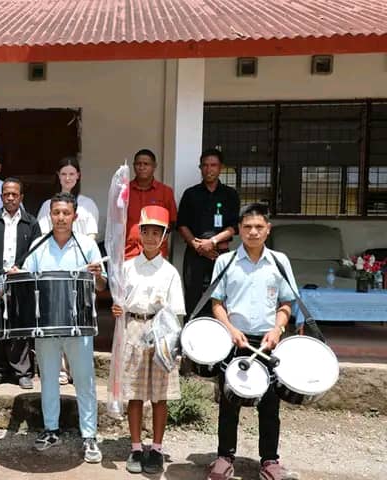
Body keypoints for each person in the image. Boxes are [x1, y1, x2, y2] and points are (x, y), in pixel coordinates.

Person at [207, 203, 298, 480]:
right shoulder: (226, 261)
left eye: (259, 227)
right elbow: (217, 303)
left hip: (267, 342)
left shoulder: (280, 262)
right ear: (240, 231)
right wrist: (230, 328)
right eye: (247, 227)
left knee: (270, 404)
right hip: (235, 340)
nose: (253, 232)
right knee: (228, 401)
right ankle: (224, 457)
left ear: (268, 230)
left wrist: (278, 328)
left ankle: (270, 460)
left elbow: (286, 303)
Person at [22, 192, 107, 464]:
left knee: (84, 380)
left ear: (75, 216)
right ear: (50, 216)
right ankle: (50, 429)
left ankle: (89, 436)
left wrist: (97, 276)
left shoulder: (87, 246)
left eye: (65, 213)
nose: (60, 218)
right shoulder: (38, 245)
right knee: (48, 379)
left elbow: (103, 286)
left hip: (79, 325)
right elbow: (24, 280)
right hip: (45, 324)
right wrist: (15, 274)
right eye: (56, 213)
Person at [111, 206, 185, 474]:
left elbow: (176, 310)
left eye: (157, 233)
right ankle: (135, 446)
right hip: (133, 328)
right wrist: (118, 309)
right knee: (135, 394)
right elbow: (119, 302)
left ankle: (156, 448)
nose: (151, 237)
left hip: (161, 332)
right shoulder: (127, 268)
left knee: (159, 395)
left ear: (164, 236)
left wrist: (174, 345)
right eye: (147, 232)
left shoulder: (170, 272)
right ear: (139, 234)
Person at [35, 157, 99, 385]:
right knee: (55, 320)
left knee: (78, 321)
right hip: (54, 267)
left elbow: (90, 237)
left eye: (72, 174)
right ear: (58, 176)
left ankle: (76, 369)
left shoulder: (88, 204)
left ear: (78, 176)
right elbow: (44, 237)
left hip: (79, 270)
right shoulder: (47, 205)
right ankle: (60, 370)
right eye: (64, 174)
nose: (68, 178)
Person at [0, 177, 41, 389]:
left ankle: (22, 372)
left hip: (20, 279)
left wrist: (18, 269)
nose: (11, 198)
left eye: (15, 194)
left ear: (21, 197)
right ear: (1, 197)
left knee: (19, 325)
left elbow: (35, 250)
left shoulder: (31, 223)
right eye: (7, 194)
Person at [177, 148, 240, 319]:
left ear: (221, 168)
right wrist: (197, 246)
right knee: (192, 298)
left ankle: (224, 339)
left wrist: (212, 242)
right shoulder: (191, 194)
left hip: (221, 254)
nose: (209, 169)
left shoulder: (230, 194)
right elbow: (182, 224)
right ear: (200, 168)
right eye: (205, 165)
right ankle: (189, 339)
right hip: (195, 253)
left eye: (213, 165)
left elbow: (235, 227)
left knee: (222, 297)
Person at [124, 149, 177, 261]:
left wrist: (161, 237)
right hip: (129, 252)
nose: (142, 167)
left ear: (154, 166)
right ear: (133, 166)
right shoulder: (124, 191)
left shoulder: (165, 192)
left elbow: (172, 221)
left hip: (157, 252)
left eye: (146, 164)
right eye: (138, 164)